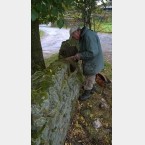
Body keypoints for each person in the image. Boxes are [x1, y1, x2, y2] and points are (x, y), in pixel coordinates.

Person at [67, 26, 104, 101]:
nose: (74, 38)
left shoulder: (88, 36)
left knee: (90, 76)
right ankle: (92, 88)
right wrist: (79, 54)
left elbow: (93, 52)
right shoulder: (84, 35)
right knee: (90, 76)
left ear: (76, 32)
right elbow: (86, 48)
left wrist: (80, 55)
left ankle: (87, 93)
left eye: (73, 36)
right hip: (92, 60)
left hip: (93, 61)